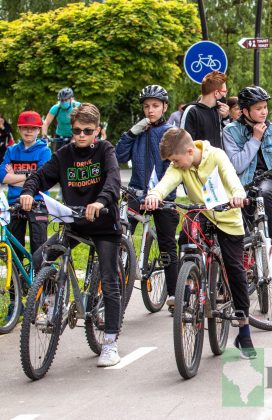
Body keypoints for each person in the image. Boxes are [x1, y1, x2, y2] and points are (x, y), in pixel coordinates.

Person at [21, 103, 123, 367]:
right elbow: (40, 177)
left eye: (87, 131)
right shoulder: (64, 154)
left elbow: (113, 180)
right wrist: (28, 192)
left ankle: (110, 343)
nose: (80, 135)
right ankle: (54, 299)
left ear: (97, 131)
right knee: (39, 257)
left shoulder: (105, 150)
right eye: (77, 130)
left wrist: (100, 202)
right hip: (73, 223)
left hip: (103, 224)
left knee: (110, 281)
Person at [143, 128, 257, 359]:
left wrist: (237, 194)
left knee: (234, 268)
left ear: (189, 151)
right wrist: (155, 194)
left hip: (227, 215)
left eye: (176, 160)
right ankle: (189, 283)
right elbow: (166, 183)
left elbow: (231, 178)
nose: (175, 165)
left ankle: (243, 329)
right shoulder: (178, 167)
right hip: (202, 214)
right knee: (185, 238)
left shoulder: (216, 156)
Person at [116, 85, 180, 308]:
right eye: (146, 106)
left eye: (155, 106)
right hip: (136, 192)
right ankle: (116, 284)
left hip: (163, 196)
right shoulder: (139, 132)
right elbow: (119, 156)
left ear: (164, 107)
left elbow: (177, 165)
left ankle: (173, 294)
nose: (150, 111)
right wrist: (132, 133)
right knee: (119, 236)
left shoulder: (171, 133)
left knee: (167, 243)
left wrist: (162, 193)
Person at [223, 86, 272, 242]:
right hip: (242, 183)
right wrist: (255, 139)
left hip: (268, 180)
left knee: (264, 193)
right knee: (240, 226)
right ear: (246, 111)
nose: (264, 112)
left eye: (265, 107)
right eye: (258, 108)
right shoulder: (230, 131)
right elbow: (237, 166)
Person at [0, 111, 51, 263]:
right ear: (19, 129)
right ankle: (16, 285)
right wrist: (30, 176)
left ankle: (40, 282)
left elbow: (42, 180)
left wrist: (14, 178)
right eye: (25, 127)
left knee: (39, 246)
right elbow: (2, 177)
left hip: (38, 201)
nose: (28, 131)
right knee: (14, 247)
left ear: (38, 130)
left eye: (32, 128)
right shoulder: (12, 150)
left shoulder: (45, 151)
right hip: (15, 202)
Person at [180, 70, 230, 149]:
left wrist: (226, 118)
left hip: (218, 160)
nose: (225, 95)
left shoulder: (218, 111)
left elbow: (227, 140)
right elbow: (184, 143)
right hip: (199, 161)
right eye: (224, 91)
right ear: (216, 93)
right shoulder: (191, 111)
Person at [41, 87, 81, 153]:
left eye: (66, 100)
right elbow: (46, 123)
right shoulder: (56, 108)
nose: (63, 102)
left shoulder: (78, 106)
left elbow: (83, 122)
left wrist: (75, 136)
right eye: (62, 100)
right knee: (58, 156)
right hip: (60, 136)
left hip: (74, 135)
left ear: (71, 99)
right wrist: (44, 136)